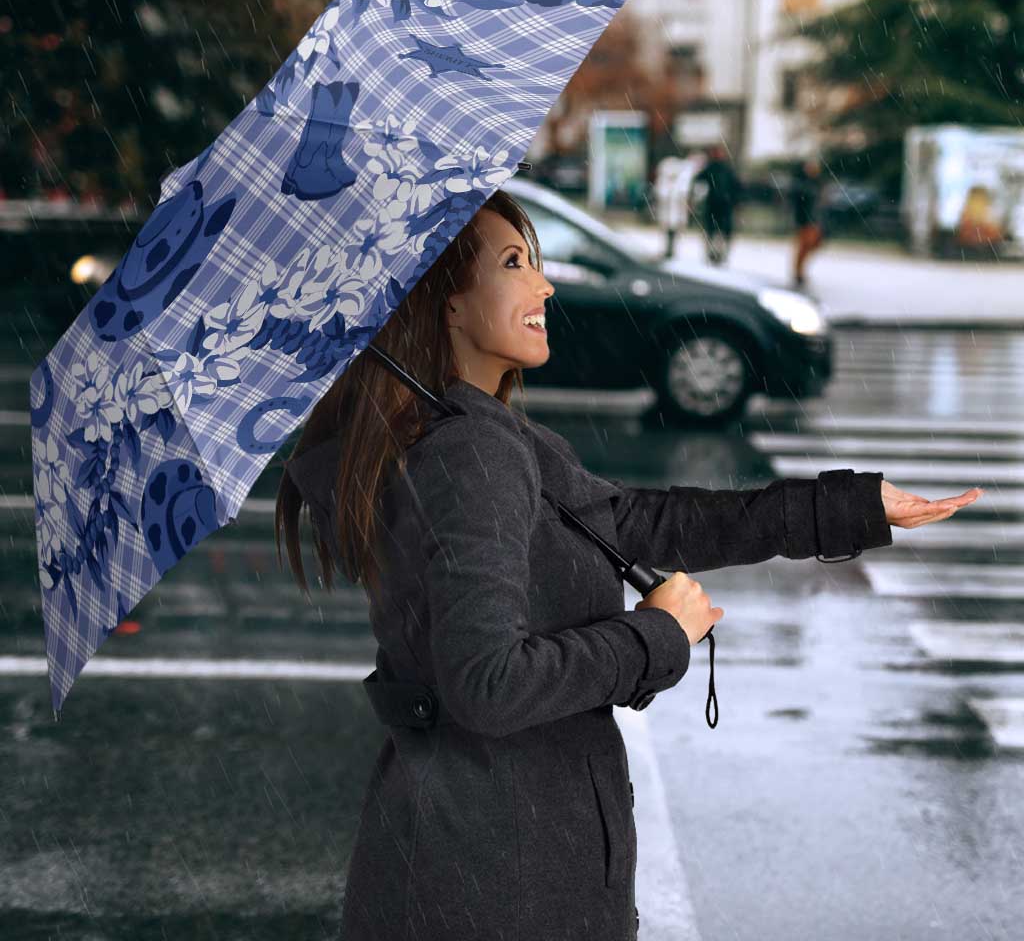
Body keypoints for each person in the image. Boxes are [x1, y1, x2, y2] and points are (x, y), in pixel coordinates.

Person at [275, 189, 982, 941]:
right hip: (496, 879)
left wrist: (849, 507)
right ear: (445, 304)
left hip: (480, 860)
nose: (544, 285)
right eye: (514, 263)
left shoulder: (480, 436)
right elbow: (487, 684)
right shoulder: (469, 453)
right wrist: (655, 636)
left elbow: (644, 523)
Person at [692, 143, 742, 266]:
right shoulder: (712, 168)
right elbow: (698, 181)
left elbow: (736, 187)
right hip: (715, 205)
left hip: (723, 205)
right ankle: (713, 254)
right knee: (713, 231)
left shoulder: (725, 169)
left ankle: (719, 254)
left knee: (720, 232)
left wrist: (735, 201)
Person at [790, 156, 826, 287]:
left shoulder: (817, 183)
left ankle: (799, 271)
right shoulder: (802, 184)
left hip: (814, 220)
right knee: (804, 246)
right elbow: (799, 203)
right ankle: (798, 272)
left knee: (812, 245)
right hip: (805, 220)